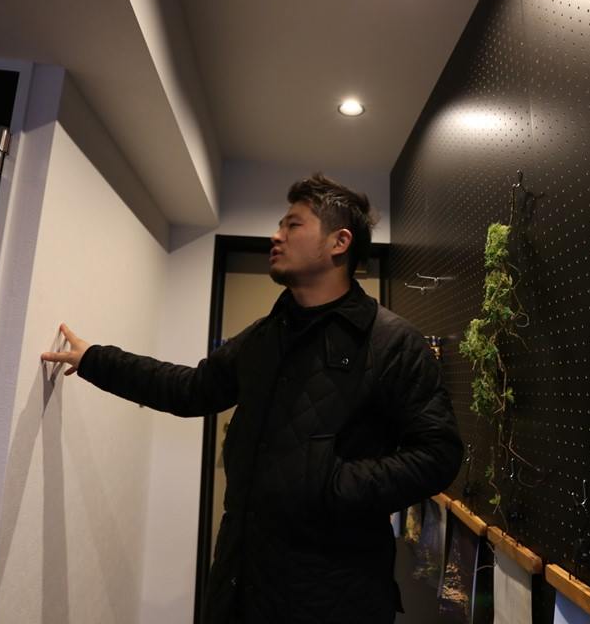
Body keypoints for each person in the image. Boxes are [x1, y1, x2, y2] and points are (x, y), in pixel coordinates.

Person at [41, 173, 464, 624]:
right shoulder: (265, 336)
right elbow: (191, 390)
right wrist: (96, 360)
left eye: (293, 225)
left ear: (339, 242)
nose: (276, 236)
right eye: (280, 225)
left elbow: (438, 454)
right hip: (239, 585)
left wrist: (333, 484)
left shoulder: (392, 342)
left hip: (337, 597)